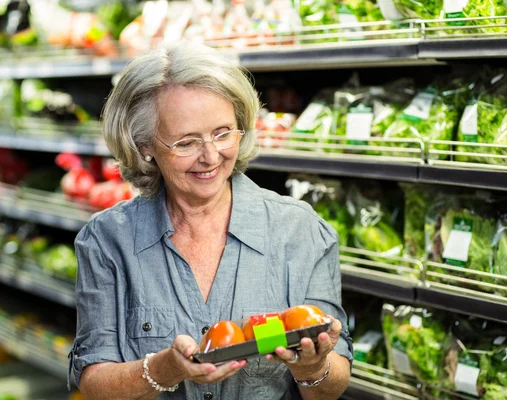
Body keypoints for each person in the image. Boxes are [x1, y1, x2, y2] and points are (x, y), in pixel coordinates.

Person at [68, 40, 353, 400]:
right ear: (145, 147)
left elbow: (333, 383)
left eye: (223, 133)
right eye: (186, 142)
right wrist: (164, 368)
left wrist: (313, 368)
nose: (210, 156)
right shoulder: (107, 240)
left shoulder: (300, 231)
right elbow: (94, 383)